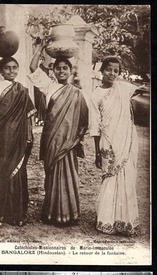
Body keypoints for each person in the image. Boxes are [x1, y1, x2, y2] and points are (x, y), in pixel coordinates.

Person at [28, 38, 88, 226]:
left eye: (65, 68)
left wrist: (76, 138)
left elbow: (83, 118)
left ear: (71, 71)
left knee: (68, 174)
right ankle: (52, 212)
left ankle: (69, 213)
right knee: (52, 174)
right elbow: (32, 68)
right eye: (58, 68)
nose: (61, 71)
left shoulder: (76, 93)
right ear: (53, 71)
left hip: (68, 142)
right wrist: (39, 50)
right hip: (52, 139)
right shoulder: (49, 86)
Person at [0, 33, 36, 227]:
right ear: (2, 71)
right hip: (1, 138)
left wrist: (29, 137)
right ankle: (0, 212)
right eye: (7, 68)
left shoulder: (22, 90)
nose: (11, 71)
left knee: (18, 171)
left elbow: (29, 117)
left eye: (14, 68)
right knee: (2, 171)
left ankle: (16, 213)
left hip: (19, 138)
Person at [89, 56, 141, 236]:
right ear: (102, 71)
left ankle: (125, 222)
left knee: (126, 177)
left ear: (119, 73)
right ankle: (107, 220)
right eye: (109, 70)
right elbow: (94, 126)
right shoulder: (95, 94)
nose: (112, 73)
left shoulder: (124, 88)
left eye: (116, 71)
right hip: (107, 142)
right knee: (109, 177)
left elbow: (141, 90)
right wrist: (97, 152)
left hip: (126, 139)